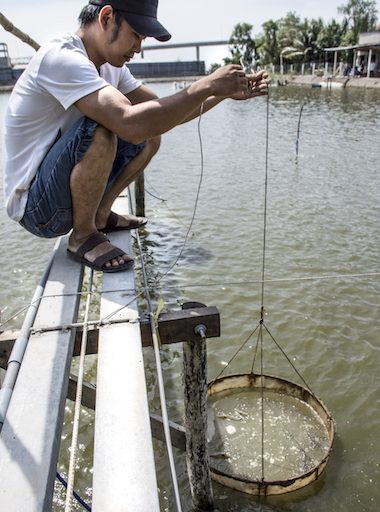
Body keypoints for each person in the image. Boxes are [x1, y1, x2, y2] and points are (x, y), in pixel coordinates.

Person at [4, 0, 269, 273]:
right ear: (106, 17)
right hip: (37, 209)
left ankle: (101, 215)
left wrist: (221, 93)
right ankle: (82, 236)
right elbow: (128, 123)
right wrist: (206, 84)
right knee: (104, 127)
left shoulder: (110, 66)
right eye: (136, 35)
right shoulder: (61, 58)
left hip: (59, 193)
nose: (139, 48)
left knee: (150, 134)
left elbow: (162, 114)